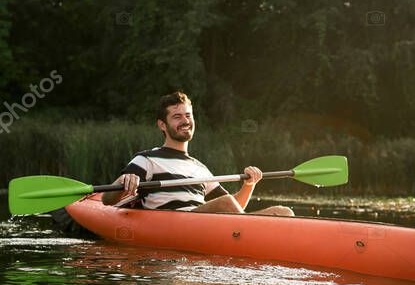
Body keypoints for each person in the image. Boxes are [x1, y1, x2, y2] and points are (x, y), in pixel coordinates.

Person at [102, 91, 293, 216]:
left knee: (283, 212)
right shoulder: (147, 159)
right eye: (177, 117)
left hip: (205, 224)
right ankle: (255, 238)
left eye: (188, 115)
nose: (185, 121)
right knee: (224, 203)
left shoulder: (199, 168)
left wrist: (249, 185)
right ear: (162, 125)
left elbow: (236, 208)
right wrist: (124, 182)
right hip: (174, 224)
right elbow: (107, 199)